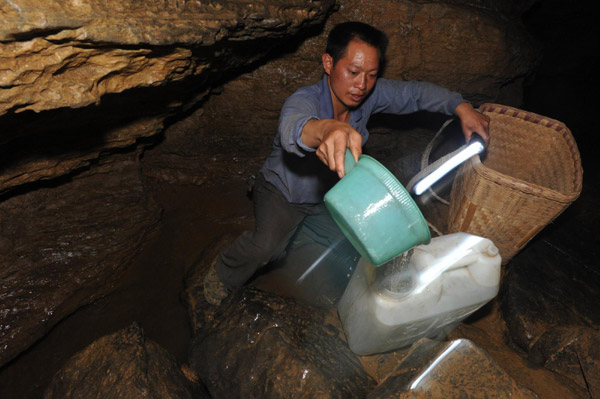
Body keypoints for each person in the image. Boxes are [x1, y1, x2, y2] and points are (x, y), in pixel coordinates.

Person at [203, 21, 490, 305]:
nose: (361, 85)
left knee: (364, 247)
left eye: (371, 75)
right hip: (283, 193)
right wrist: (327, 130)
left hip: (331, 198)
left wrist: (460, 106)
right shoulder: (304, 99)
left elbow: (414, 94)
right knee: (267, 247)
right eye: (353, 72)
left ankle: (312, 245)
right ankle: (221, 277)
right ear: (328, 63)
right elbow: (294, 129)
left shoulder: (368, 97)